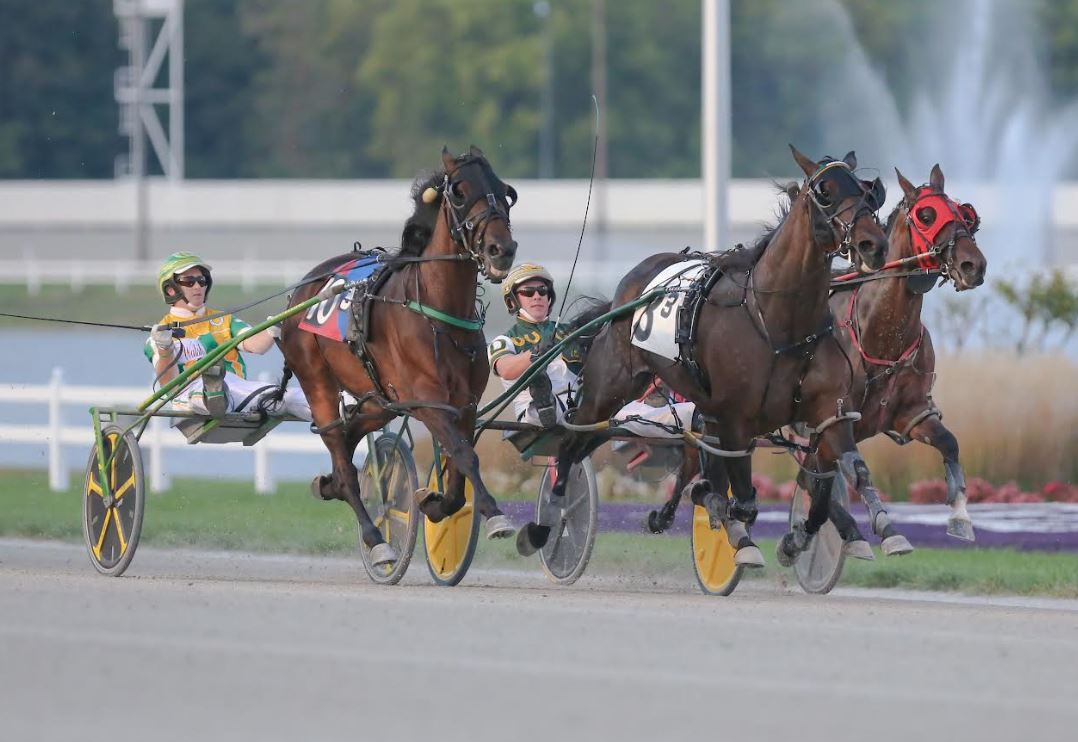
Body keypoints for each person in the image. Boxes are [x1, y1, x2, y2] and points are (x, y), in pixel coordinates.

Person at [487, 262, 694, 434]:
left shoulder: (571, 332)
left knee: (641, 413)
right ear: (512, 301)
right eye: (528, 292)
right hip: (535, 414)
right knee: (543, 405)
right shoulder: (506, 340)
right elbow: (505, 369)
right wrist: (535, 354)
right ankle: (544, 399)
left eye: (542, 291)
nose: (537, 296)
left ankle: (694, 415)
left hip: (584, 406)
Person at [145, 252, 311, 420]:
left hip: (236, 390)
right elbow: (168, 384)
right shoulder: (158, 335)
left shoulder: (224, 320)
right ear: (171, 289)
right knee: (203, 391)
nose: (197, 286)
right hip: (189, 395)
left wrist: (274, 327)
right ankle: (214, 393)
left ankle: (332, 416)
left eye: (201, 280)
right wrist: (165, 348)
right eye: (189, 281)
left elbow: (256, 346)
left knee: (292, 397)